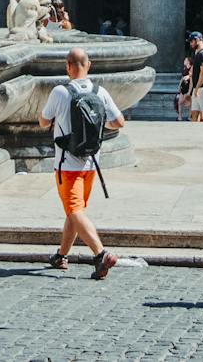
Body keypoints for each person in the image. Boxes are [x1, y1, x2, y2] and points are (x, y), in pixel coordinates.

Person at [40, 43, 126, 279]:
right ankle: (61, 256)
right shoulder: (100, 92)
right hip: (91, 164)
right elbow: (119, 122)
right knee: (74, 212)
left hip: (67, 165)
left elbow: (43, 122)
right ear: (89, 65)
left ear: (68, 67)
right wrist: (100, 128)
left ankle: (101, 255)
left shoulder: (60, 92)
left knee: (75, 210)